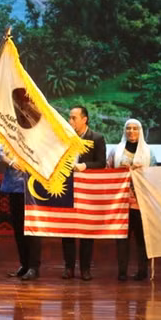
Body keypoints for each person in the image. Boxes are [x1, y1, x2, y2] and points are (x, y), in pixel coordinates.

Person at [107, 118, 156, 282]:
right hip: (121, 203)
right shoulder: (116, 151)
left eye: (135, 129)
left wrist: (141, 172)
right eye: (128, 129)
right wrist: (120, 172)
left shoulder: (149, 153)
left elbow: (155, 176)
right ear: (124, 131)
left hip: (142, 204)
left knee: (142, 239)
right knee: (122, 238)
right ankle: (122, 271)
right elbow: (107, 172)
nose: (131, 132)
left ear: (140, 131)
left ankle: (142, 271)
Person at [62, 105, 106, 281]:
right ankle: (69, 267)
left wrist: (85, 166)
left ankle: (85, 269)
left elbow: (102, 163)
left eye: (73, 118)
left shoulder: (96, 138)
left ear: (84, 119)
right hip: (68, 188)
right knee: (67, 230)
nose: (70, 121)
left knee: (86, 231)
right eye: (70, 117)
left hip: (88, 190)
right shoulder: (65, 138)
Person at [0, 151, 41, 281]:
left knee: (32, 229)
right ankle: (24, 264)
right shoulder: (11, 135)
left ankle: (33, 267)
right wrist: (11, 162)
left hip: (33, 188)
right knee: (18, 228)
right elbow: (2, 156)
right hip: (14, 188)